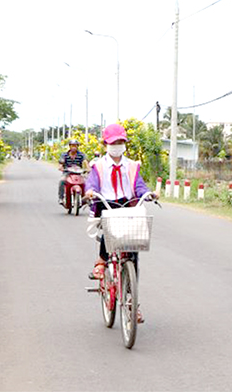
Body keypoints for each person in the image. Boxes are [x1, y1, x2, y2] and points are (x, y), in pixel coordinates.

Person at [84, 123, 156, 322]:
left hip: (127, 203)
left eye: (121, 142)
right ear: (106, 144)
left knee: (133, 253)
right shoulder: (98, 166)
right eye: (114, 142)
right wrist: (90, 192)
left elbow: (139, 185)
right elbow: (92, 184)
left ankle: (133, 302)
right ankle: (101, 261)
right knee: (109, 228)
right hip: (105, 203)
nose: (118, 145)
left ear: (125, 143)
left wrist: (148, 194)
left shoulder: (132, 165)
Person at [58, 139, 88, 204]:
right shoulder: (64, 155)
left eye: (75, 145)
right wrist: (61, 167)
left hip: (79, 173)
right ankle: (61, 198)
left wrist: (88, 169)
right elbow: (61, 162)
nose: (74, 147)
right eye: (72, 145)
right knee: (62, 180)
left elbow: (85, 162)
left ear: (77, 146)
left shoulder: (81, 155)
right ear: (70, 146)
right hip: (67, 173)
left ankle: (85, 197)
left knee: (86, 182)